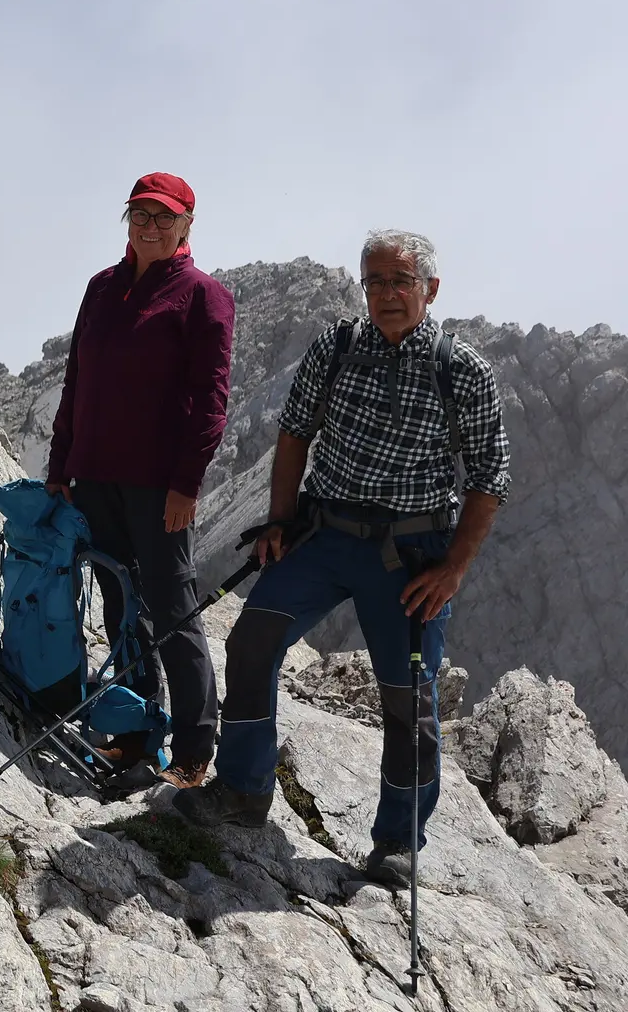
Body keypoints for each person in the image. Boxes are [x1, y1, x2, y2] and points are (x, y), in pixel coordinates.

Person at [175, 229, 510, 887]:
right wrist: (277, 521)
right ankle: (242, 791)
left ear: (430, 290)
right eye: (375, 281)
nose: (386, 293)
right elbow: (295, 431)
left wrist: (453, 570)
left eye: (400, 282)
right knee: (250, 643)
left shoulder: (460, 370)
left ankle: (398, 842)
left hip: (411, 556)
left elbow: (490, 475)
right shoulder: (338, 347)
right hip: (324, 537)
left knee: (407, 695)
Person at [45, 173, 235, 790]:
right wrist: (60, 465)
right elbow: (78, 380)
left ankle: (193, 751)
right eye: (139, 215)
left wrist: (186, 486)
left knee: (173, 609)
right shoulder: (102, 289)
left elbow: (210, 402)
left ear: (186, 224)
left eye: (163, 216)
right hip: (95, 475)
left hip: (158, 488)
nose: (149, 227)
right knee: (122, 605)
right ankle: (133, 733)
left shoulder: (203, 297)